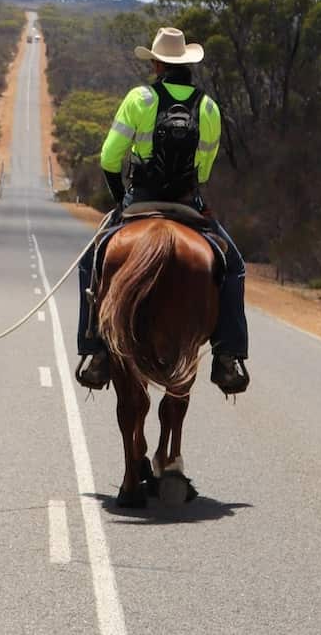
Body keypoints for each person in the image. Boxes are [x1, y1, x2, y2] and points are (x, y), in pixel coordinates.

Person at [75, 27, 250, 395]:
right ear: (186, 64)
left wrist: (122, 197)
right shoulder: (209, 107)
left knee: (91, 263)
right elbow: (204, 170)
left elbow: (109, 157)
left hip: (141, 201)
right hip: (187, 204)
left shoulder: (140, 99)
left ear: (156, 63)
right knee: (233, 266)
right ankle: (228, 355)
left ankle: (95, 351)